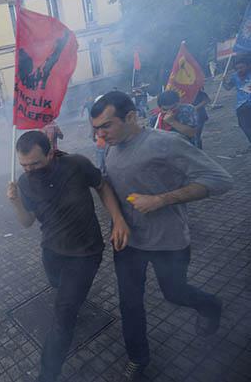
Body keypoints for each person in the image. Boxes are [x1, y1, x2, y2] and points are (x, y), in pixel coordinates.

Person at [90, 91, 233, 381]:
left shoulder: (165, 143)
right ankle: (138, 358)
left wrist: (160, 200)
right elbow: (109, 185)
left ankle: (210, 306)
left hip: (168, 241)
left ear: (130, 117)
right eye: (96, 129)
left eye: (106, 125)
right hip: (129, 243)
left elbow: (220, 180)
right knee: (129, 302)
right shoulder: (111, 148)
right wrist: (118, 220)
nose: (101, 135)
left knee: (175, 293)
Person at [6, 131, 130, 382]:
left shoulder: (76, 164)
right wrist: (16, 202)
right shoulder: (24, 182)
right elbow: (27, 222)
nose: (30, 170)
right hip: (51, 250)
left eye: (36, 163)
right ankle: (73, 301)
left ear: (50, 153)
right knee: (57, 286)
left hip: (85, 252)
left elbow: (101, 185)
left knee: (63, 316)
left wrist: (117, 218)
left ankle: (47, 374)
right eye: (25, 165)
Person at [224, 56, 251, 149]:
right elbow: (228, 88)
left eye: (242, 67)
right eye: (237, 68)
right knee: (244, 126)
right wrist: (223, 82)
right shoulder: (234, 76)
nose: (239, 70)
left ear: (248, 66)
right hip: (241, 106)